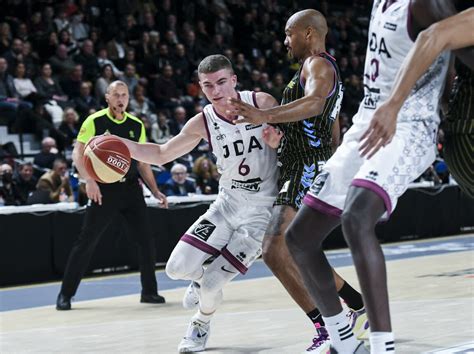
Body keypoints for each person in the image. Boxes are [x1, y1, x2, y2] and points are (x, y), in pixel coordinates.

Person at [261, 1, 461, 353]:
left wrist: (445, 108)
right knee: (299, 238)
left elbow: (444, 42)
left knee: (356, 218)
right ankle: (343, 340)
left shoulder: (426, 5)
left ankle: (383, 346)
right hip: (366, 122)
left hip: (408, 123)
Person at [118, 54, 280, 353]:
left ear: (234, 80)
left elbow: (296, 144)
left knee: (211, 284)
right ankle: (203, 281)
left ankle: (200, 324)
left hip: (261, 212)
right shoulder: (203, 120)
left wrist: (278, 144)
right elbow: (162, 153)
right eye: (208, 85)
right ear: (201, 88)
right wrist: (121, 145)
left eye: (221, 82)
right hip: (227, 205)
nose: (216, 91)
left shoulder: (262, 103)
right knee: (176, 268)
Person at [228, 9, 367, 353]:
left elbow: (317, 104)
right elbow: (332, 129)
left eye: (288, 34)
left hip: (304, 167)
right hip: (302, 165)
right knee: (298, 249)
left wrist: (265, 114)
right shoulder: (319, 69)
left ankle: (326, 326)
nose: (284, 41)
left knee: (275, 250)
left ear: (307, 33)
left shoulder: (317, 65)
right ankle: (357, 304)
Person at [56, 80, 168, 311]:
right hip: (103, 190)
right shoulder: (95, 121)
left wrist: (155, 190)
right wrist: (89, 180)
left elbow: (143, 162)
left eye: (124, 95)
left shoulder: (136, 125)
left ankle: (149, 292)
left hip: (131, 188)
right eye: (116, 94)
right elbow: (78, 152)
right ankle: (65, 295)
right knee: (86, 242)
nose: (120, 99)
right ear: (107, 97)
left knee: (146, 240)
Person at [358, 7, 474, 199]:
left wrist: (447, 107)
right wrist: (393, 105)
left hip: (460, 128)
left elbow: (449, 62)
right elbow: (432, 36)